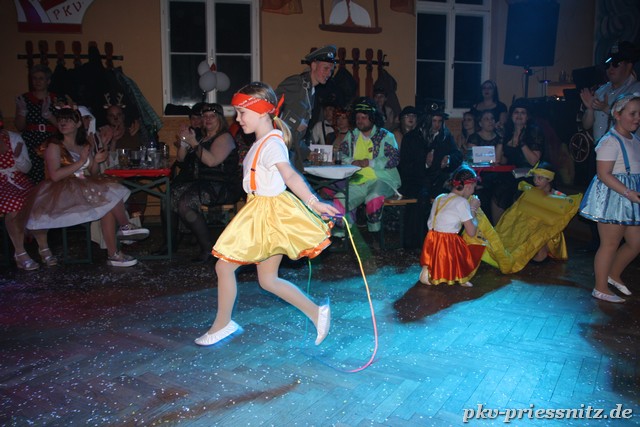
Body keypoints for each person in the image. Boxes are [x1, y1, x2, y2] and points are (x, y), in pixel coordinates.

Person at [194, 82, 338, 346]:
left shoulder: (272, 144)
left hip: (267, 215)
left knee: (224, 266)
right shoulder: (263, 141)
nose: (238, 119)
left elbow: (290, 175)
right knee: (268, 280)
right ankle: (316, 312)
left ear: (261, 111)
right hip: (261, 211)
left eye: (242, 113)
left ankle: (223, 323)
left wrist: (313, 202)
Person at [22, 106, 149, 267]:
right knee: (108, 196)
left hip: (83, 185)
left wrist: (96, 159)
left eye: (68, 120)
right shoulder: (54, 145)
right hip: (62, 190)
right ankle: (124, 228)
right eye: (60, 120)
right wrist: (81, 161)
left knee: (108, 204)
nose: (63, 123)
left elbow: (93, 172)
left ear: (77, 124)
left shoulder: (83, 145)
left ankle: (114, 254)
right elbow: (55, 176)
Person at [579, 93, 640, 303]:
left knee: (636, 242)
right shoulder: (609, 141)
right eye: (633, 113)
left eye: (639, 114)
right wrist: (628, 192)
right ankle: (600, 287)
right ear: (617, 114)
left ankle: (613, 274)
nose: (637, 118)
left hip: (630, 197)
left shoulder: (635, 139)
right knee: (610, 243)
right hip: (614, 197)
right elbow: (604, 174)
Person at [169, 103, 243, 262]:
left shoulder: (224, 137)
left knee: (185, 203)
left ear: (220, 119)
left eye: (212, 116)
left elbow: (211, 161)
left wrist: (193, 143)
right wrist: (184, 142)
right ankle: (171, 243)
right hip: (205, 184)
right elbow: (180, 159)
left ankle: (208, 249)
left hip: (223, 186)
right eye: (205, 116)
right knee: (172, 194)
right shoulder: (203, 137)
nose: (208, 119)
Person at [332, 97, 401, 237]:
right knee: (339, 199)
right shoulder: (352, 136)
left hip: (382, 180)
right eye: (358, 117)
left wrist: (369, 162)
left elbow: (394, 159)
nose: (360, 120)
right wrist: (352, 161)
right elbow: (341, 154)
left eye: (364, 117)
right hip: (358, 180)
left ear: (372, 118)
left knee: (373, 198)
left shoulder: (385, 136)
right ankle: (349, 234)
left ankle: (375, 237)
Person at [0, 112, 55, 270]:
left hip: (17, 179)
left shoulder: (13, 138)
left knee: (38, 201)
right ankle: (20, 252)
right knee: (14, 205)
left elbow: (26, 168)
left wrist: (17, 157)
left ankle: (43, 247)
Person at [419, 165, 484, 287]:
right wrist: (473, 209)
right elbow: (471, 232)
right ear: (468, 186)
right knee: (472, 244)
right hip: (447, 242)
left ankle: (428, 268)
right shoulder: (462, 202)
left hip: (431, 239)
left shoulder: (439, 197)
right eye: (473, 188)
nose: (473, 192)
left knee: (450, 237)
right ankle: (461, 275)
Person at [276, 45, 337, 172]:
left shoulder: (311, 91)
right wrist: (295, 122)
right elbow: (270, 105)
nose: (329, 73)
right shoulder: (297, 83)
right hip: (281, 152)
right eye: (325, 68)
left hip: (293, 154)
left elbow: (298, 135)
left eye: (331, 70)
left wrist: (308, 154)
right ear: (313, 66)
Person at [492, 98, 544, 222]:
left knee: (513, 193)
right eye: (516, 112)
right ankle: (497, 231)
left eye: (523, 112)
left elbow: (533, 161)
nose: (519, 115)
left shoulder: (533, 132)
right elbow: (498, 160)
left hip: (529, 176)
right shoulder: (508, 132)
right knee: (496, 191)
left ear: (527, 116)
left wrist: (521, 142)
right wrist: (501, 138)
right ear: (511, 116)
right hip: (510, 175)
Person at [580, 41, 640, 142]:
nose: (611, 68)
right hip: (601, 148)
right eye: (608, 65)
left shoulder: (636, 90)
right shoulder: (601, 91)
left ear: (629, 66)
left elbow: (633, 120)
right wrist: (590, 109)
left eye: (616, 64)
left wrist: (607, 109)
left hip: (624, 149)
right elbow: (586, 125)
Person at [14, 65, 62, 184]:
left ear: (48, 81)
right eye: (34, 78)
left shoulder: (56, 99)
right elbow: (20, 127)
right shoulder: (24, 99)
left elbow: (63, 126)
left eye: (41, 78)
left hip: (51, 140)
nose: (37, 81)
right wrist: (22, 112)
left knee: (50, 172)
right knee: (32, 175)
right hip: (30, 140)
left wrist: (49, 116)